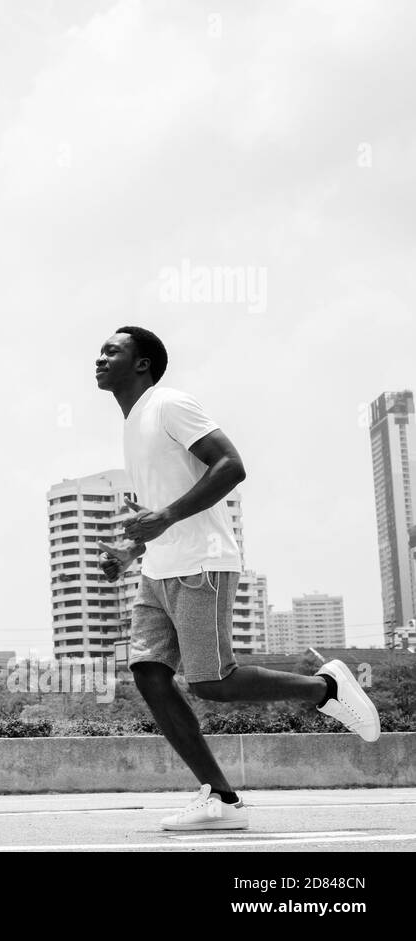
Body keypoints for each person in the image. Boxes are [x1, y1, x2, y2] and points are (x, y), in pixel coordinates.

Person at [94, 326, 379, 831]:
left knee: (213, 683)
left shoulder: (169, 404)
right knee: (149, 673)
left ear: (141, 365)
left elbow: (230, 465)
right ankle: (220, 798)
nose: (99, 358)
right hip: (159, 570)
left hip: (201, 565)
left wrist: (163, 519)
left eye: (112, 351)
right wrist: (133, 546)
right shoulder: (132, 424)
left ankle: (324, 687)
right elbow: (162, 511)